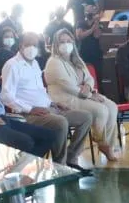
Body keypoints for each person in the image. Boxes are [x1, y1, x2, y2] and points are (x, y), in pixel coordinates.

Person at [1, 32, 92, 166]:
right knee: (61, 122)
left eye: (35, 45)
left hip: (48, 108)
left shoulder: (35, 64)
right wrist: (30, 109)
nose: (31, 48)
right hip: (27, 114)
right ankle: (60, 165)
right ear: (20, 46)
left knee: (86, 117)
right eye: (28, 45)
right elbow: (6, 96)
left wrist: (53, 103)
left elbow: (40, 92)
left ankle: (71, 156)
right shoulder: (12, 65)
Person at [45, 28, 120, 162]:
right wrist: (90, 95)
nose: (65, 44)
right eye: (62, 42)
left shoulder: (76, 60)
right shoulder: (53, 62)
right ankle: (102, 142)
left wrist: (88, 86)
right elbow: (68, 86)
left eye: (68, 41)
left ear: (73, 43)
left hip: (84, 94)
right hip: (66, 99)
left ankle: (108, 144)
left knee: (112, 106)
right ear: (56, 45)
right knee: (101, 110)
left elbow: (90, 78)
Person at [76, 2, 105, 81]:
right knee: (85, 77)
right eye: (87, 12)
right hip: (83, 53)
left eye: (91, 12)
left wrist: (96, 22)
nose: (89, 13)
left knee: (98, 77)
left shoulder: (99, 23)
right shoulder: (80, 23)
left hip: (96, 54)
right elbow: (79, 36)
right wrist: (91, 29)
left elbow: (96, 35)